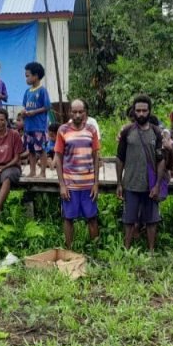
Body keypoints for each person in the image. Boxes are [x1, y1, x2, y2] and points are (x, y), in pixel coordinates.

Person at [116, 94, 165, 251]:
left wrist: (157, 184)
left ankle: (151, 250)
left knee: (152, 219)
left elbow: (161, 160)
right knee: (129, 219)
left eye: (144, 110)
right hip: (130, 183)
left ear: (150, 111)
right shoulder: (127, 132)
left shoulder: (157, 132)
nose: (141, 114)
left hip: (150, 184)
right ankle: (126, 249)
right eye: (138, 110)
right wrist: (119, 183)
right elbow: (120, 158)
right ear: (134, 111)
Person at [55, 99, 101, 249]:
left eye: (80, 111)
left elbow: (96, 157)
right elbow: (58, 158)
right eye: (74, 112)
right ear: (70, 112)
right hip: (70, 184)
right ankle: (69, 250)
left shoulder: (91, 130)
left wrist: (96, 183)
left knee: (92, 218)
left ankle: (95, 250)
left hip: (88, 184)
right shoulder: (63, 130)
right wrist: (62, 185)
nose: (77, 115)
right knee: (68, 218)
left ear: (85, 113)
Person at [22, 61, 51, 178]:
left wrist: (34, 112)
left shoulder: (42, 90)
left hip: (39, 126)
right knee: (31, 150)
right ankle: (32, 171)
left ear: (36, 76)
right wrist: (24, 111)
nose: (26, 79)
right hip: (28, 126)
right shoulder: (27, 92)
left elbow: (47, 106)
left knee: (41, 149)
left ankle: (42, 172)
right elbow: (24, 105)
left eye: (28, 76)